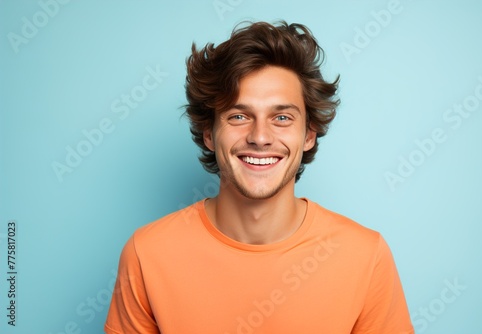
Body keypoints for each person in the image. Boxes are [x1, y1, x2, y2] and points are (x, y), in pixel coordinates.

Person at [104, 21, 414, 334]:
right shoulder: (147, 253)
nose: (260, 137)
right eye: (239, 116)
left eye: (282, 118)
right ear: (209, 134)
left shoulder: (364, 254)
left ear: (308, 135)